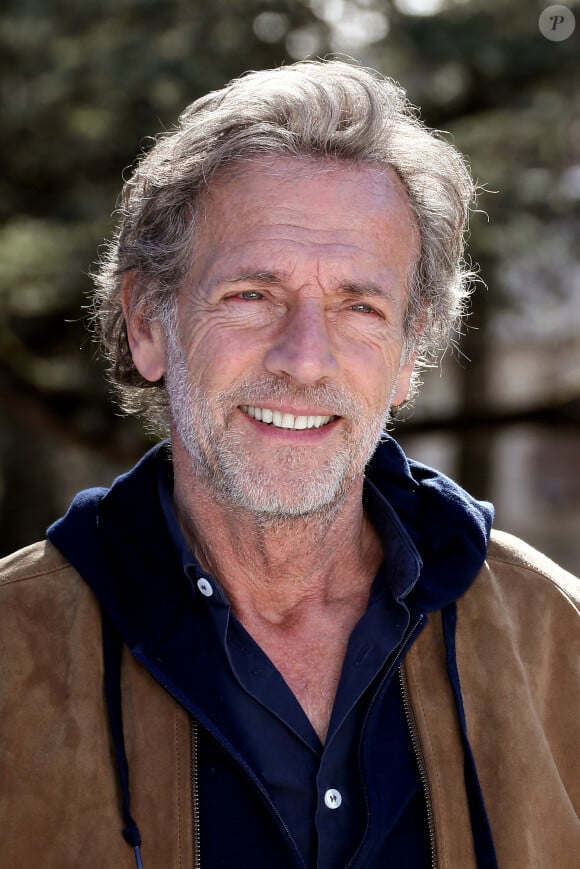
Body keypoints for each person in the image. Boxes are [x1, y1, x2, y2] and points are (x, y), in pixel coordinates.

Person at [0, 59, 578, 869]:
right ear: (147, 324)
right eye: (251, 294)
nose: (306, 360)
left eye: (359, 306)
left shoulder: (560, 640)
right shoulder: (12, 654)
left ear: (410, 354)